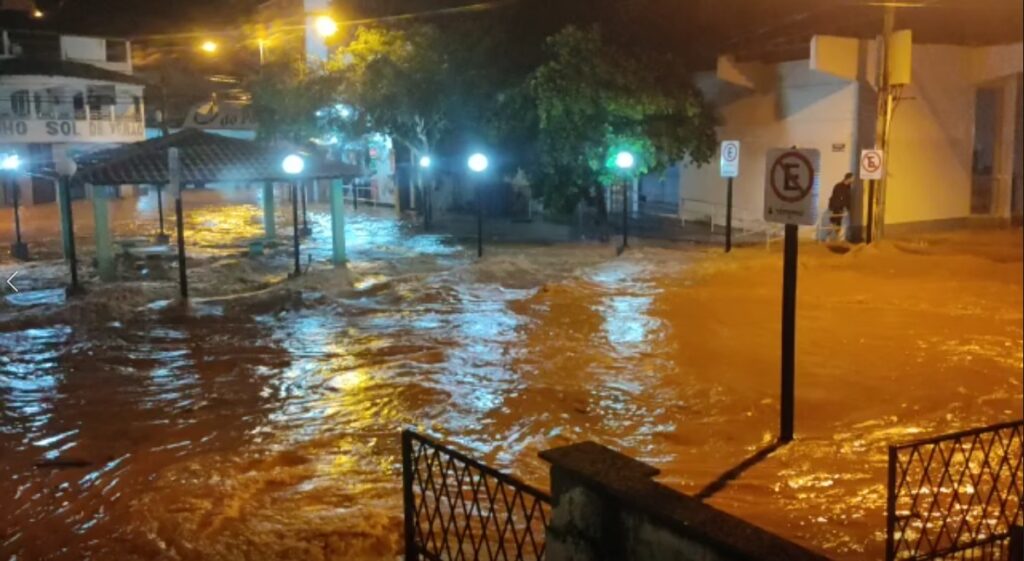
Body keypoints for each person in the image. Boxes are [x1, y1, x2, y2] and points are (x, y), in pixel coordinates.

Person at [827, 172, 853, 239]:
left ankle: (836, 238)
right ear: (848, 178)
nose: (853, 180)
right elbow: (836, 197)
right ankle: (828, 238)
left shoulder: (848, 187)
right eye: (852, 178)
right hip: (836, 208)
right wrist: (836, 208)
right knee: (833, 222)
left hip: (841, 208)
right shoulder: (839, 186)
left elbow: (848, 199)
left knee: (838, 223)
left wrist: (848, 208)